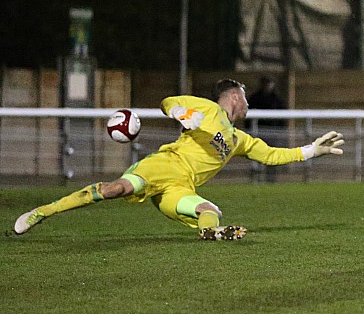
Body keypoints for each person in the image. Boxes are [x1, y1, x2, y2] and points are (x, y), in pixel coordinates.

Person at [14, 79, 345, 240]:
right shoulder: (208, 109)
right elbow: (168, 101)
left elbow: (272, 156)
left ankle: (211, 234)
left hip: (179, 187)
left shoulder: (239, 139)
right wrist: (182, 112)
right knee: (117, 189)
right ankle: (42, 212)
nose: (247, 105)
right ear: (235, 97)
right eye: (244, 99)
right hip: (162, 166)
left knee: (209, 211)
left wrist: (312, 150)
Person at [247, 75, 288, 182]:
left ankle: (270, 180)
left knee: (271, 157)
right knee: (257, 156)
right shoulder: (255, 98)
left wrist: (279, 131)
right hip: (258, 133)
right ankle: (256, 179)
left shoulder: (276, 99)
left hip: (272, 133)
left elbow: (282, 118)